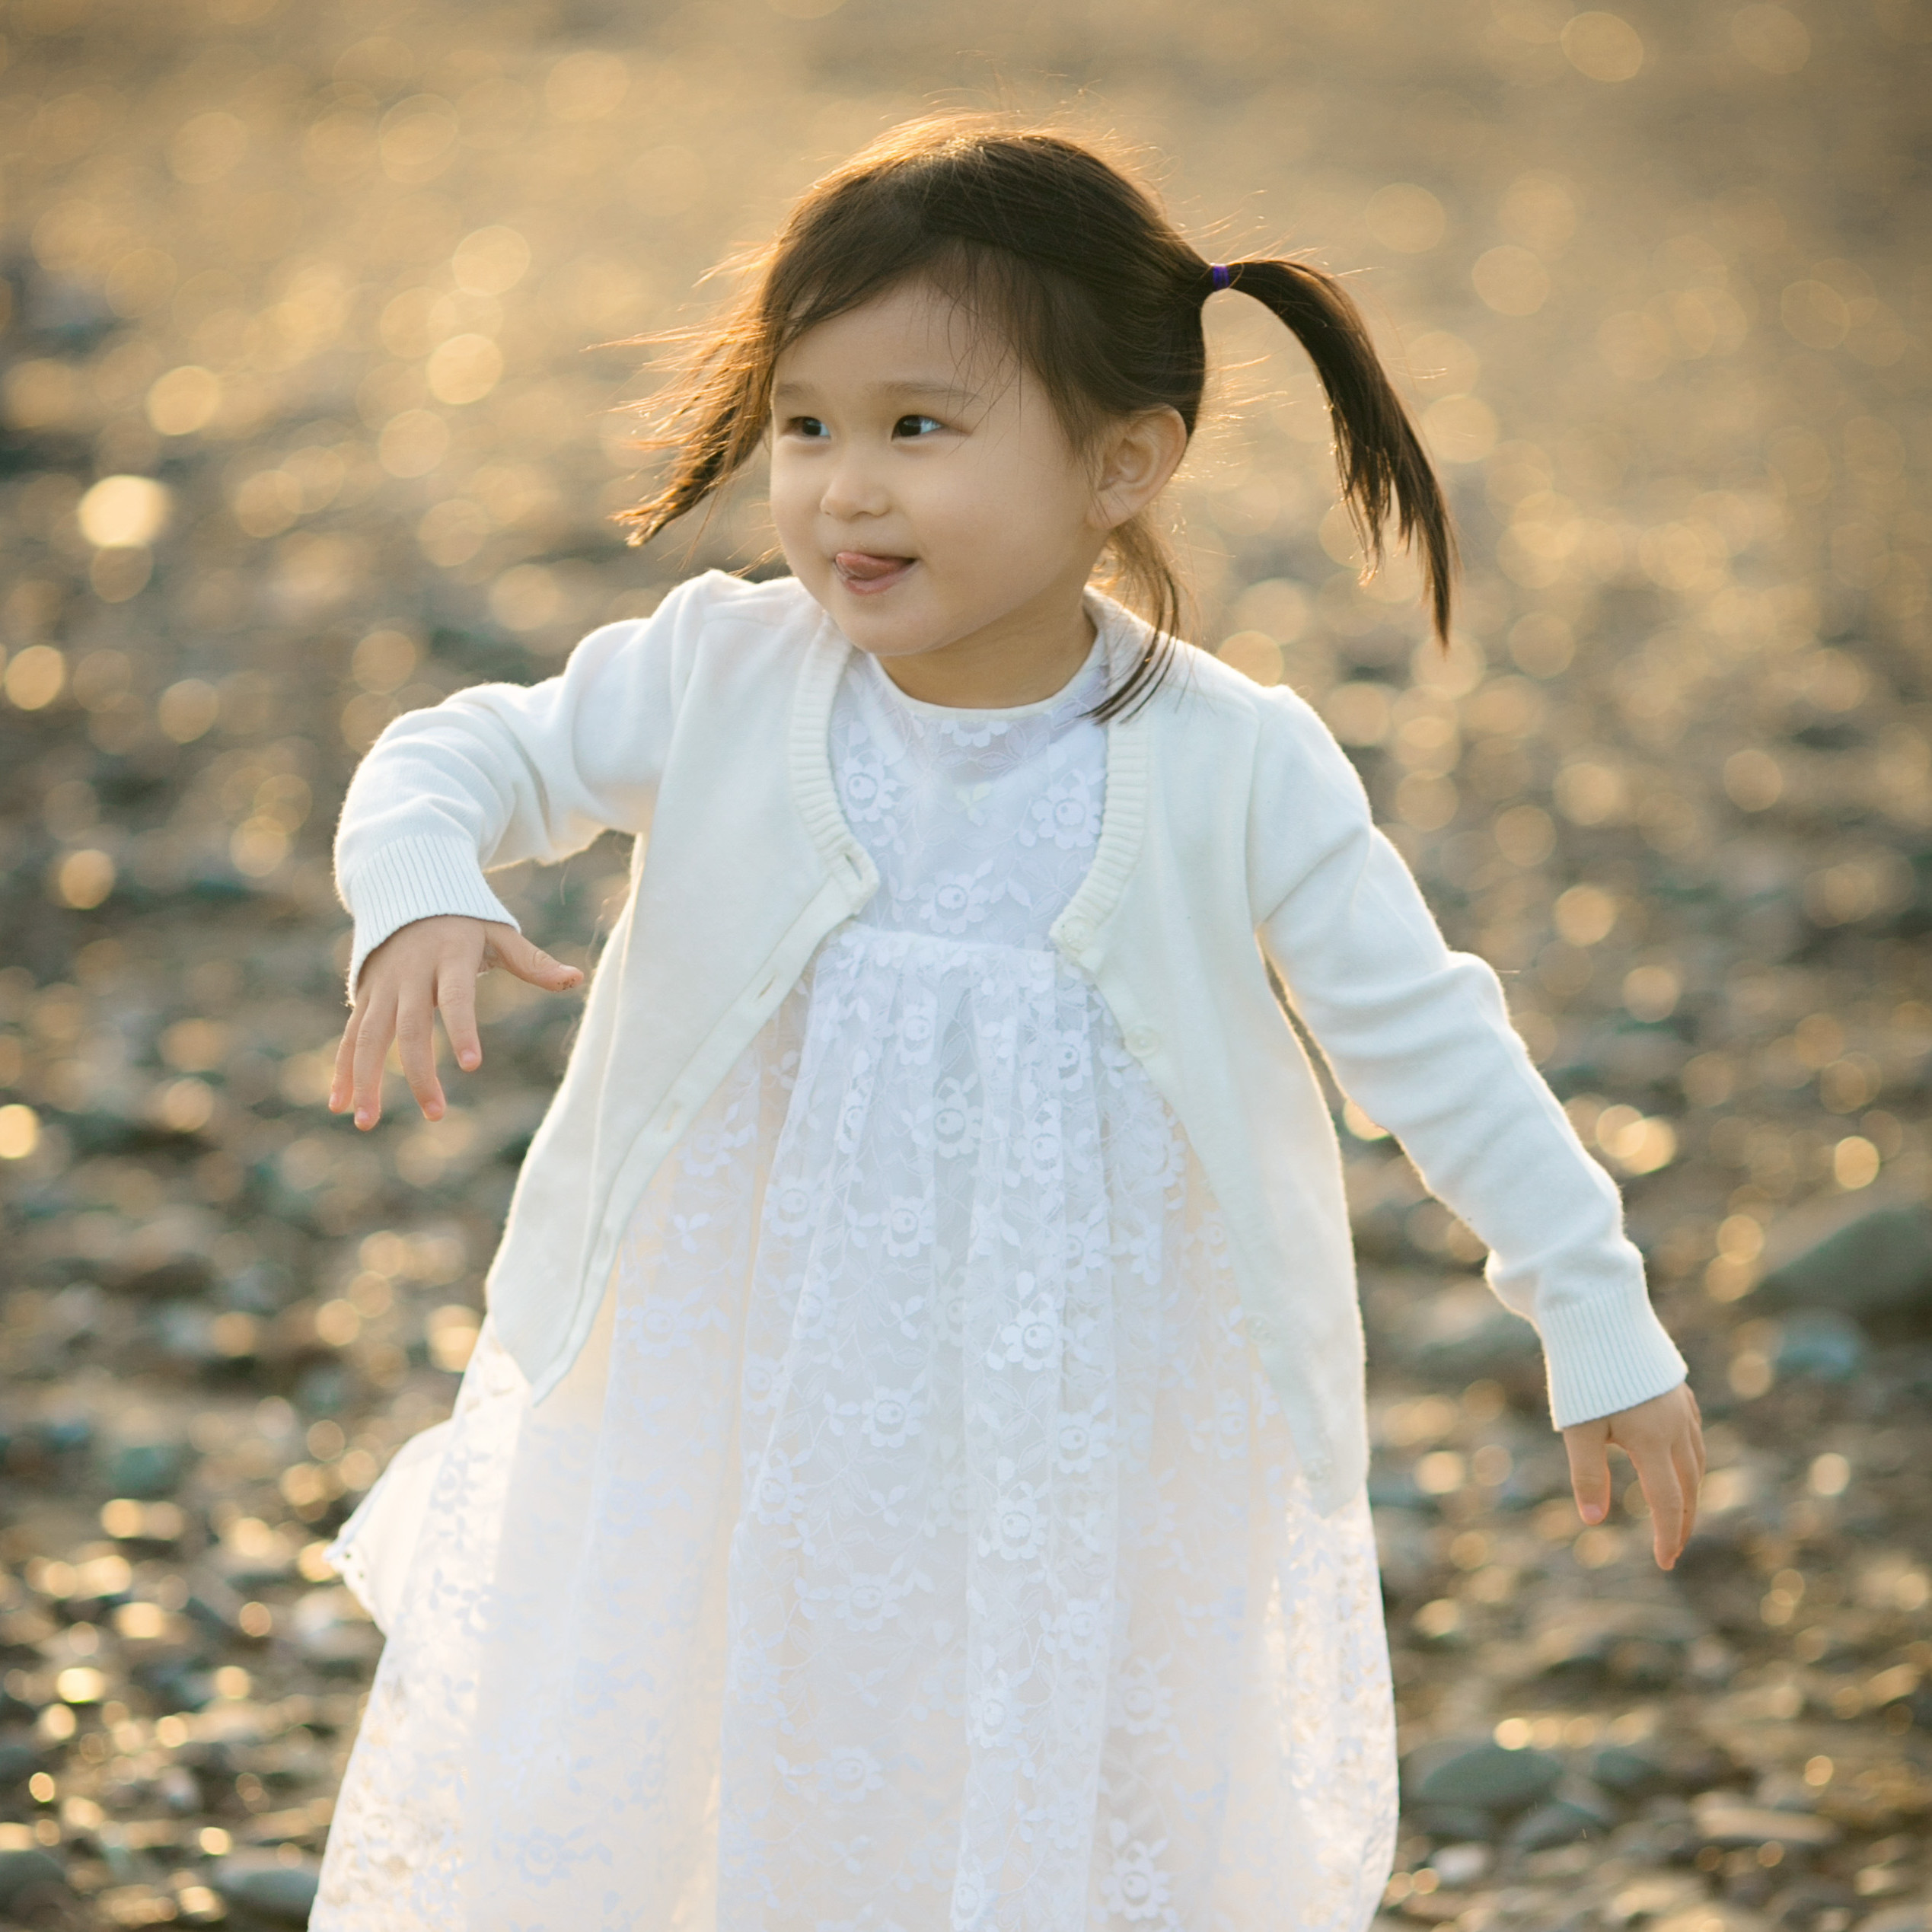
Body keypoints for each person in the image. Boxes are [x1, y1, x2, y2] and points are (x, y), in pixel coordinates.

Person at [311, 115, 1704, 1932]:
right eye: (804, 423)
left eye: (919, 427)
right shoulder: (729, 672)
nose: (842, 489)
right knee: (718, 1751)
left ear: (1123, 461)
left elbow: (1429, 1042)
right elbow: (462, 751)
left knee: (1047, 1777)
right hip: (726, 1388)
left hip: (1087, 1431)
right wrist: (419, 879)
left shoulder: (1231, 763)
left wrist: (1592, 1305)